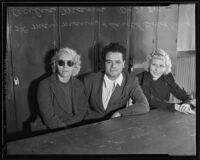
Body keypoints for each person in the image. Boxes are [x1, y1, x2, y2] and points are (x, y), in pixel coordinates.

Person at [83, 42, 150, 123]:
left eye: (117, 62)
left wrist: (119, 113)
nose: (113, 66)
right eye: (109, 62)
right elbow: (80, 108)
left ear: (123, 64)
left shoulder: (131, 81)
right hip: (89, 127)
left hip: (115, 127)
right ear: (104, 63)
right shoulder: (90, 80)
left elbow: (144, 105)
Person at [37, 47, 89, 129]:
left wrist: (73, 127)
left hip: (75, 127)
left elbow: (82, 110)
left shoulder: (79, 84)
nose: (65, 66)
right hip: (51, 129)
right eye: (61, 62)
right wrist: (66, 130)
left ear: (75, 66)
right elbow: (49, 118)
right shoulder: (44, 85)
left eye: (70, 63)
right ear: (55, 64)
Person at [136, 48, 195, 114]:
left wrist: (186, 104)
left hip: (162, 114)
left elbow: (185, 96)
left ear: (166, 67)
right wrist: (175, 106)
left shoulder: (167, 77)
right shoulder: (140, 78)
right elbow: (149, 102)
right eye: (154, 64)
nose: (157, 69)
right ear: (148, 65)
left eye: (161, 66)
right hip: (143, 116)